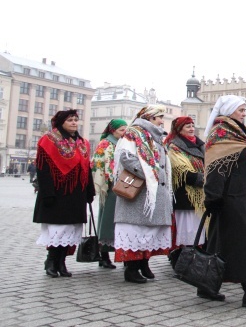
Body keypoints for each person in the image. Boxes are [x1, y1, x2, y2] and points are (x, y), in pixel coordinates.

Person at [202, 95, 246, 310]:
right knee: (244, 245)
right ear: (229, 111)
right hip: (230, 200)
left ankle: (206, 285)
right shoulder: (221, 134)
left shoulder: (238, 133)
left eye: (244, 109)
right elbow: (214, 170)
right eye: (241, 109)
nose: (244, 113)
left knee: (221, 244)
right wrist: (213, 198)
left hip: (243, 198)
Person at [113, 105, 172, 284]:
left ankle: (144, 263)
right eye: (158, 117)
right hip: (139, 191)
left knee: (150, 231)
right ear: (148, 117)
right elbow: (125, 157)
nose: (162, 121)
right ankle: (131, 268)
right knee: (136, 230)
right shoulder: (133, 133)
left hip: (154, 191)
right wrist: (148, 173)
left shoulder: (157, 136)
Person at [33, 109, 95, 277]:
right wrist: (47, 193)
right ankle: (51, 261)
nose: (74, 123)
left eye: (76, 120)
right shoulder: (49, 140)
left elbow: (86, 169)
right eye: (70, 120)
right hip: (57, 193)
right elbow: (42, 168)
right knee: (58, 230)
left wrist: (90, 190)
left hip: (76, 194)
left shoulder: (82, 143)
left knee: (70, 231)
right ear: (61, 123)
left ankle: (61, 262)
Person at [91, 119, 128, 269]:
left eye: (126, 130)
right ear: (113, 131)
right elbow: (98, 164)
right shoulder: (105, 143)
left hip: (123, 187)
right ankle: (103, 254)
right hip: (110, 187)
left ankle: (120, 253)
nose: (124, 133)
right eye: (121, 130)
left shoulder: (123, 143)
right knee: (107, 221)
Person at [165, 117, 206, 251]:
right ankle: (185, 259)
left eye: (192, 126)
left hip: (202, 196)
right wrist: (204, 179)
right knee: (188, 233)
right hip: (186, 196)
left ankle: (196, 257)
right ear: (179, 129)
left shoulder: (201, 145)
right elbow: (182, 171)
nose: (192, 129)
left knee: (199, 231)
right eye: (188, 126)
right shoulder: (174, 147)